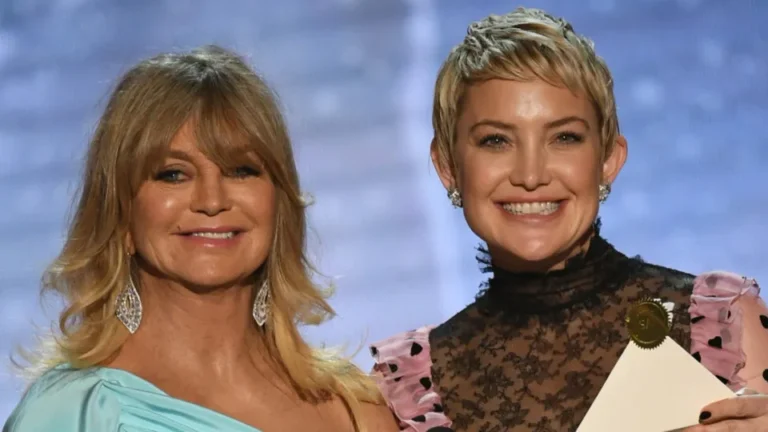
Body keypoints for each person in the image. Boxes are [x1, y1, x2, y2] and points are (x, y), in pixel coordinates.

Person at [369, 8, 768, 432]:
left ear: (608, 161)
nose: (531, 175)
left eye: (564, 138)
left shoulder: (722, 324)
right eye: (496, 140)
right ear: (448, 166)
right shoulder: (407, 393)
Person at [3, 45, 398, 432]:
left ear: (279, 205)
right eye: (173, 174)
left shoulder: (351, 408)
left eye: (241, 170)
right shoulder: (77, 410)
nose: (212, 201)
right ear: (122, 216)